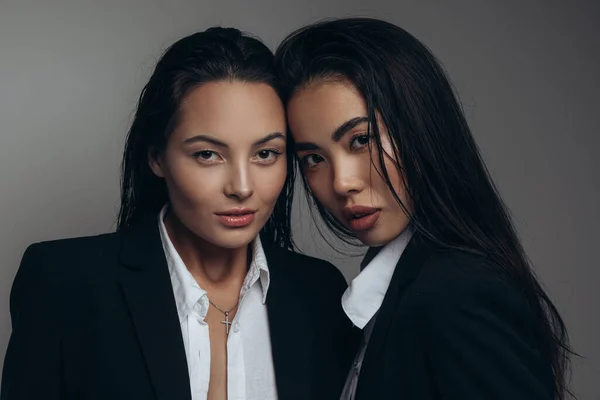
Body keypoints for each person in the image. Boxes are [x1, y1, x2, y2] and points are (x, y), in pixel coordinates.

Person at [1, 27, 354, 400]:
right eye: (207, 154)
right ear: (156, 156)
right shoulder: (64, 284)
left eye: (265, 154)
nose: (242, 186)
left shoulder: (320, 294)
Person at [275, 17, 573, 400]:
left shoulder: (460, 293)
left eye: (360, 139)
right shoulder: (395, 291)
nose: (341, 182)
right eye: (313, 158)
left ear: (419, 127)